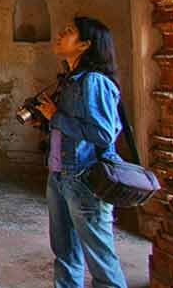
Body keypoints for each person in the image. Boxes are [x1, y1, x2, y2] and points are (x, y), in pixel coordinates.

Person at [29, 16, 128, 288]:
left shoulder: (93, 81)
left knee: (100, 260)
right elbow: (74, 128)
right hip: (60, 175)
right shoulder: (72, 80)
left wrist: (56, 116)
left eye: (69, 32)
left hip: (84, 178)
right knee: (65, 254)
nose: (60, 34)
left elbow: (104, 134)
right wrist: (48, 121)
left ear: (85, 44)